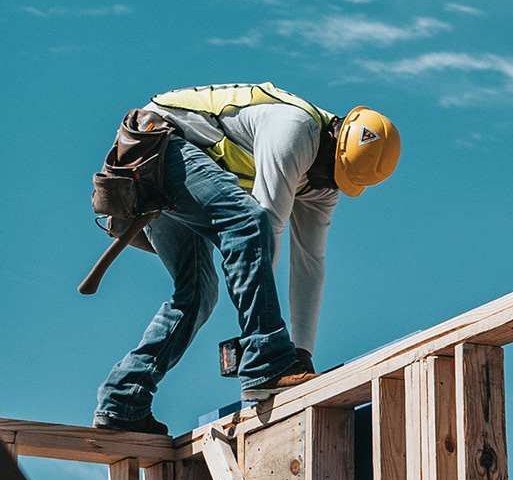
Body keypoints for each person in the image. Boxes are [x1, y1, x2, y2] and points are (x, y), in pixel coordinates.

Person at [93, 82, 400, 434]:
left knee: (197, 294)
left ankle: (123, 400)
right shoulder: (295, 129)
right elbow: (262, 227)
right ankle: (266, 360)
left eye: (336, 181)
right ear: (334, 136)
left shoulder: (323, 183)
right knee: (248, 221)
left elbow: (309, 265)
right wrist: (267, 348)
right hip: (154, 146)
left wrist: (302, 353)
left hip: (172, 169)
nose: (324, 183)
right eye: (329, 172)